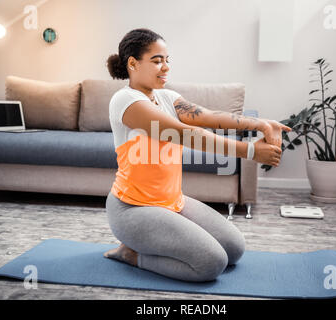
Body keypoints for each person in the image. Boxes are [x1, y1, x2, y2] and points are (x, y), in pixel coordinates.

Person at [104, 28, 291, 282]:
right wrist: (249, 150)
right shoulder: (126, 100)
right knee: (211, 263)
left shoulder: (167, 97)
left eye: (167, 60)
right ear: (133, 64)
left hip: (172, 202)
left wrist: (261, 124)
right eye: (157, 61)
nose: (166, 67)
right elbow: (183, 133)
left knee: (234, 249)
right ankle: (131, 255)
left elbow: (210, 117)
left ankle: (148, 245)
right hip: (132, 209)